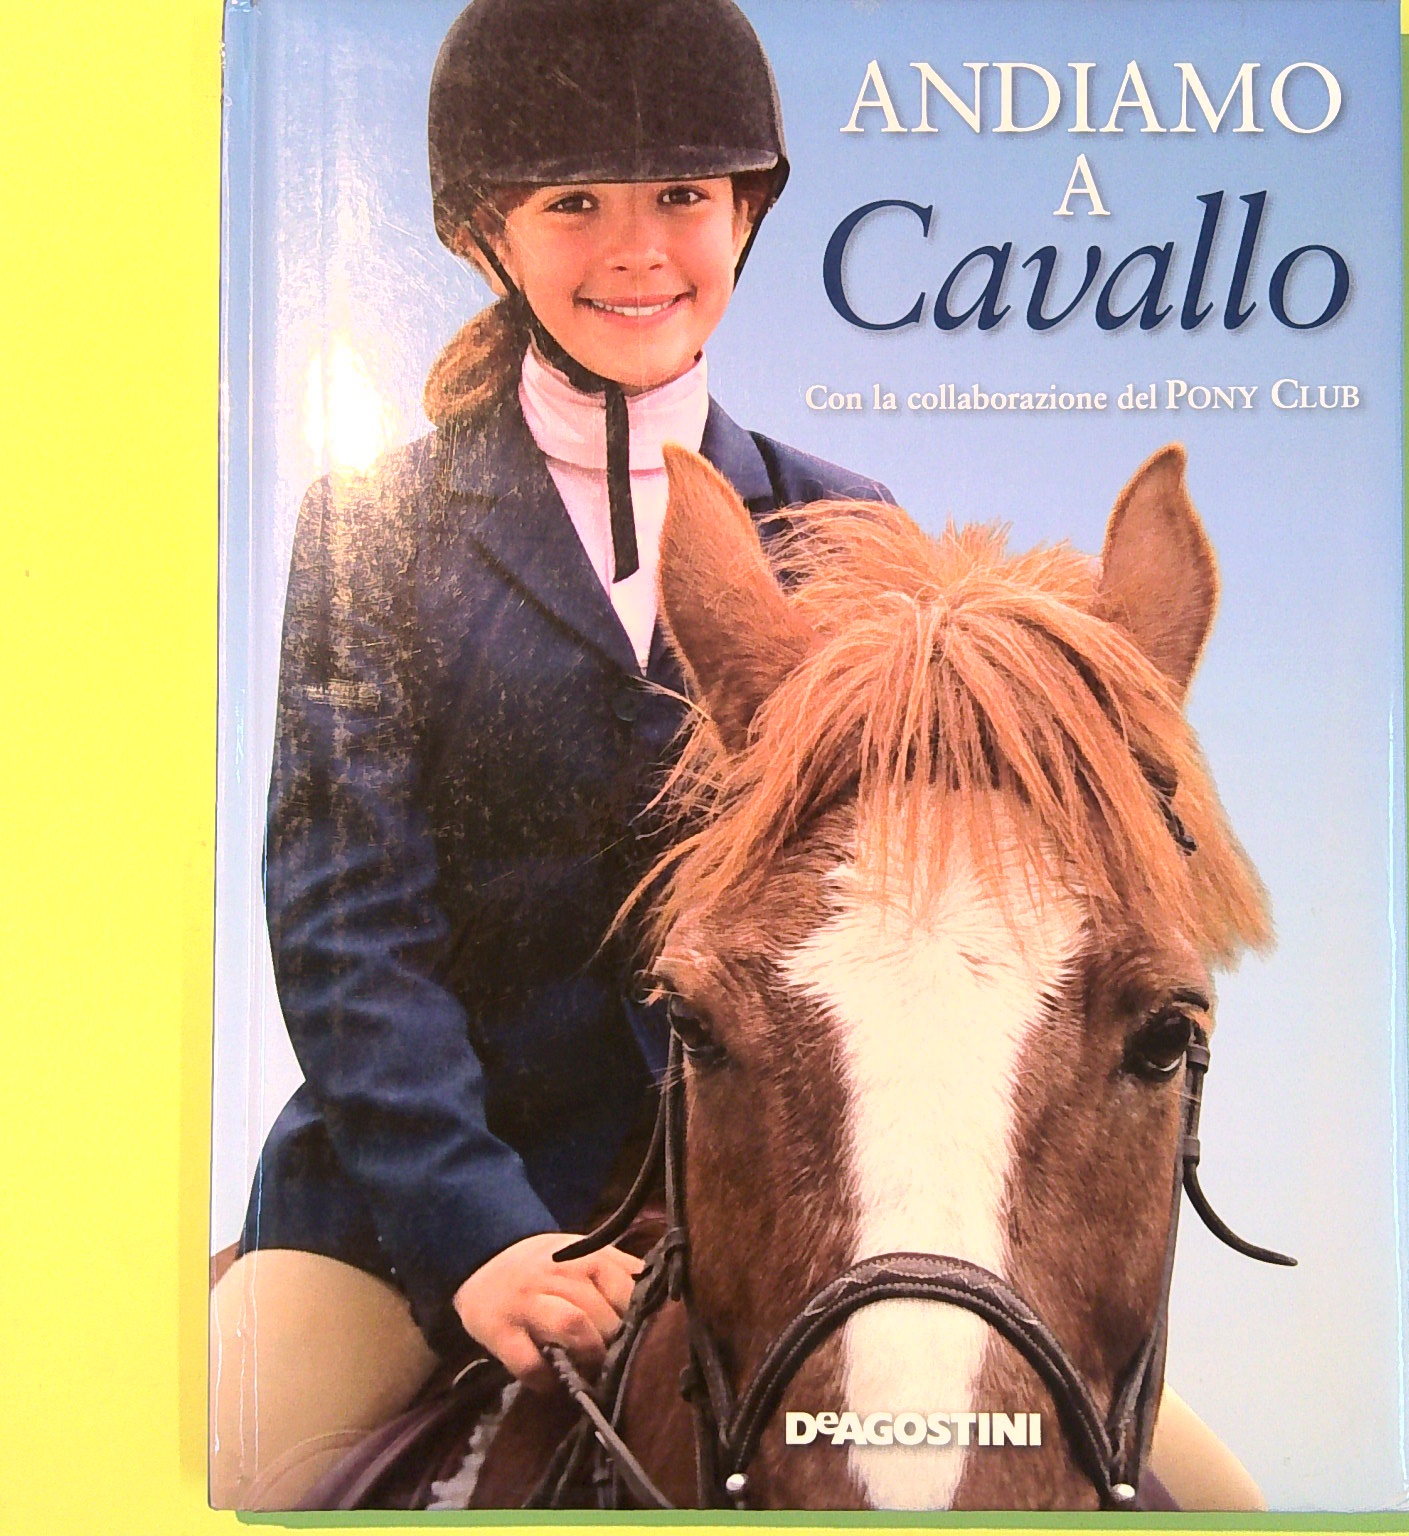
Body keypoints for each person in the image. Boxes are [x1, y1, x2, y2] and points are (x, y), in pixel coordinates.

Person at [208, 0, 892, 1509]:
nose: (638, 249)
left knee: (1197, 1486)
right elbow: (343, 922)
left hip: (768, 1219)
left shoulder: (851, 533)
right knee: (221, 1465)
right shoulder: (371, 529)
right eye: (575, 201)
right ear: (488, 234)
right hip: (407, 1213)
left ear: (745, 212)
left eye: (682, 195)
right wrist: (480, 1233)